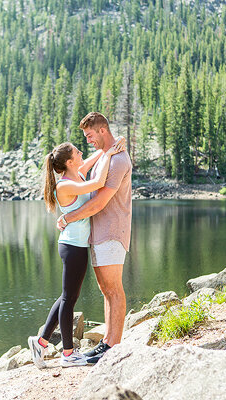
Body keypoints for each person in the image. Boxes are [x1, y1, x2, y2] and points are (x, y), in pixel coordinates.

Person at [28, 136, 126, 368]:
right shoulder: (66, 185)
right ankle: (68, 353)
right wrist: (110, 155)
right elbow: (98, 183)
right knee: (68, 299)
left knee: (66, 296)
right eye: (77, 152)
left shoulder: (75, 173)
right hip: (73, 246)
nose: (81, 153)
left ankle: (41, 342)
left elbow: (89, 162)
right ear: (70, 162)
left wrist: (107, 149)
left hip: (77, 245)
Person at [56, 112, 132, 365]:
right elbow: (90, 163)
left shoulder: (119, 160)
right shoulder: (107, 156)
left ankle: (114, 347)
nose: (88, 140)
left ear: (101, 131)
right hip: (98, 234)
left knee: (114, 289)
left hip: (112, 231)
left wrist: (68, 218)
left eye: (89, 135)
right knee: (105, 289)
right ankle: (107, 343)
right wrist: (108, 149)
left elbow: (99, 203)